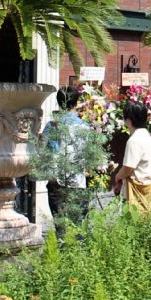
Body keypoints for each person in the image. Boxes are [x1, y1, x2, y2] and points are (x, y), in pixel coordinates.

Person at [45, 86, 88, 218]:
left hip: (57, 180)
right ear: (76, 103)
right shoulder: (85, 126)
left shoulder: (52, 126)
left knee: (61, 225)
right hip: (77, 180)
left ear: (59, 103)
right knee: (77, 224)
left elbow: (43, 150)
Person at [113, 101, 151, 213]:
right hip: (147, 186)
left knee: (134, 219)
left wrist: (118, 176)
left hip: (137, 190)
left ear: (128, 120)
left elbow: (128, 168)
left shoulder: (134, 140)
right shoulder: (145, 134)